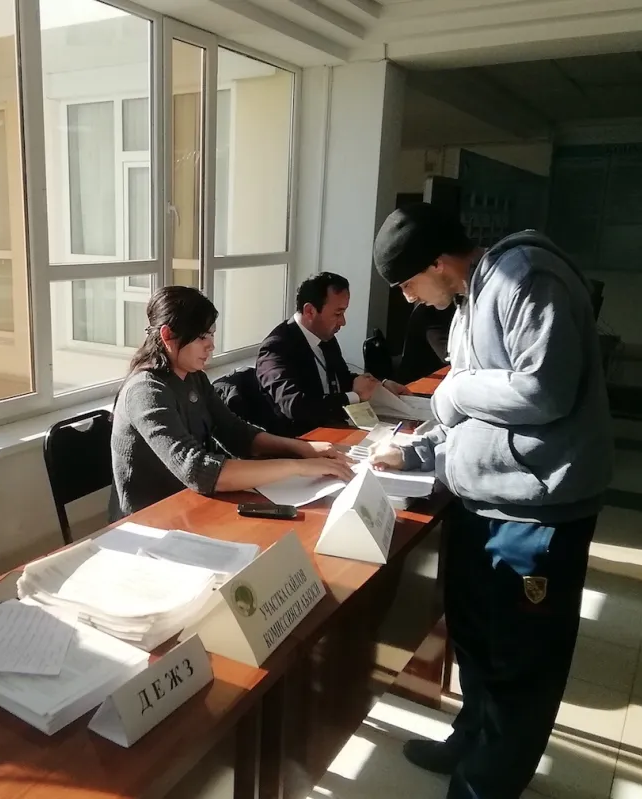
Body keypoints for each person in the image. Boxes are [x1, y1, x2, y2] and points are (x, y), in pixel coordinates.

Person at [368, 203, 613, 799]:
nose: (407, 298)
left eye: (406, 284)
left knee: (520, 661)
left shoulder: (526, 277)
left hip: (537, 511)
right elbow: (472, 413)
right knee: (476, 639)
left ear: (437, 262)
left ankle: (486, 784)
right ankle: (470, 742)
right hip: (481, 503)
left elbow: (544, 390)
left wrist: (456, 390)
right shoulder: (466, 303)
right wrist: (419, 451)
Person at [110, 285, 355, 520]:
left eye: (212, 334)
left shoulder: (193, 377)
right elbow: (196, 470)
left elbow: (235, 432)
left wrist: (303, 449)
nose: (211, 345)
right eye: (201, 337)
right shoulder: (145, 390)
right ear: (167, 336)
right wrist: (298, 467)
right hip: (148, 523)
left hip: (191, 507)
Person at [256, 272, 409, 437]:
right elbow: (295, 406)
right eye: (337, 314)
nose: (343, 322)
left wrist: (380, 386)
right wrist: (356, 396)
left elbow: (339, 379)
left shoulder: (325, 337)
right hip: (301, 439)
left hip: (334, 427)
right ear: (310, 311)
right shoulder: (276, 348)